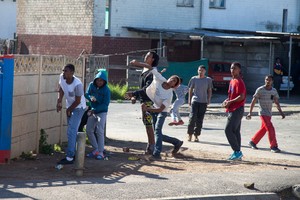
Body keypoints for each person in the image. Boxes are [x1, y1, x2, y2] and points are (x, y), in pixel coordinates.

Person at [142, 67, 183, 159]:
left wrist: (148, 109)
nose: (172, 80)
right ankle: (176, 142)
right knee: (158, 134)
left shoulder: (169, 95)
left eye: (174, 81)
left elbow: (161, 109)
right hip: (154, 109)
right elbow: (153, 70)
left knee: (157, 131)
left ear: (174, 85)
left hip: (161, 112)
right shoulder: (161, 81)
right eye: (172, 78)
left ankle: (157, 154)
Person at [125, 51, 159, 155]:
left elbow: (147, 89)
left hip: (150, 103)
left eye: (148, 56)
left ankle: (152, 147)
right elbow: (143, 89)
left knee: (150, 125)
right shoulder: (145, 71)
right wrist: (135, 96)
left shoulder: (152, 72)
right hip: (145, 102)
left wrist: (133, 93)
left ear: (152, 59)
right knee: (148, 125)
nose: (146, 56)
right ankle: (151, 146)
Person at [56, 64, 86, 165]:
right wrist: (59, 101)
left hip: (79, 108)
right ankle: (76, 152)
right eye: (63, 70)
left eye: (66, 71)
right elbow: (61, 88)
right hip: (70, 107)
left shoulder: (77, 84)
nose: (64, 72)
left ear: (72, 73)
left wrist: (69, 109)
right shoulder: (62, 77)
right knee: (71, 131)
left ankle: (70, 157)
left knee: (71, 130)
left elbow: (78, 101)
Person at [247, 75, 285, 153]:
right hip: (262, 113)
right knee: (271, 128)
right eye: (266, 80)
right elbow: (253, 101)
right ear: (265, 80)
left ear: (272, 81)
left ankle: (253, 142)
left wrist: (281, 112)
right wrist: (250, 112)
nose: (268, 81)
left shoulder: (274, 91)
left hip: (269, 113)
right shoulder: (260, 90)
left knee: (264, 129)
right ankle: (273, 146)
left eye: (270, 80)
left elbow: (276, 102)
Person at [222, 62, 246, 161]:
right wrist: (227, 101)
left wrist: (230, 102)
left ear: (239, 70)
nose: (232, 70)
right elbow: (231, 95)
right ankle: (237, 153)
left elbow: (242, 96)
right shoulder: (232, 81)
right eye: (231, 68)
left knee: (228, 130)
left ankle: (237, 151)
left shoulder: (239, 81)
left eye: (234, 68)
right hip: (233, 108)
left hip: (237, 109)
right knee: (235, 131)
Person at [85, 70, 111, 160]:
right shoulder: (91, 85)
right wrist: (90, 97)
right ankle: (96, 149)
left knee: (99, 130)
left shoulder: (106, 90)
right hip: (92, 110)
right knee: (89, 130)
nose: (99, 82)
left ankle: (101, 152)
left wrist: (94, 110)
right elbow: (87, 94)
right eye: (98, 80)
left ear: (104, 81)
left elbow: (105, 104)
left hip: (101, 112)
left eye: (101, 80)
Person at [187, 65, 213, 142]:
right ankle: (190, 134)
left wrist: (209, 99)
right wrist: (189, 100)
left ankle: (196, 135)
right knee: (192, 117)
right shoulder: (194, 79)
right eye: (199, 70)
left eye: (202, 70)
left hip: (203, 101)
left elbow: (209, 90)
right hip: (195, 100)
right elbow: (190, 89)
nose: (200, 72)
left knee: (200, 119)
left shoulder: (208, 80)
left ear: (205, 71)